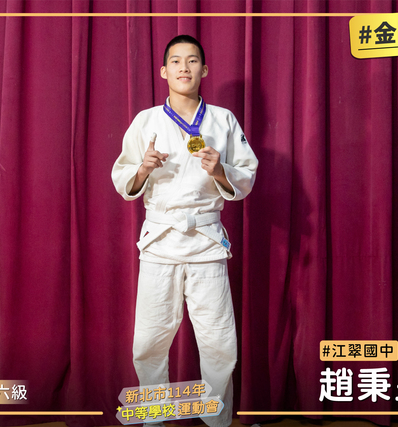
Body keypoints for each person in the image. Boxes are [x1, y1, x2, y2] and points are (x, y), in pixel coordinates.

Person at [111, 34, 258, 427]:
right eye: (175, 61)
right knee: (148, 342)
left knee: (220, 344)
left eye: (192, 61)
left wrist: (220, 170)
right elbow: (123, 176)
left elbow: (246, 174)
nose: (184, 67)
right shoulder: (146, 121)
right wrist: (143, 168)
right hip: (160, 241)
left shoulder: (223, 120)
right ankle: (154, 419)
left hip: (206, 241)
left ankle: (216, 421)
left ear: (204, 69)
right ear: (163, 71)